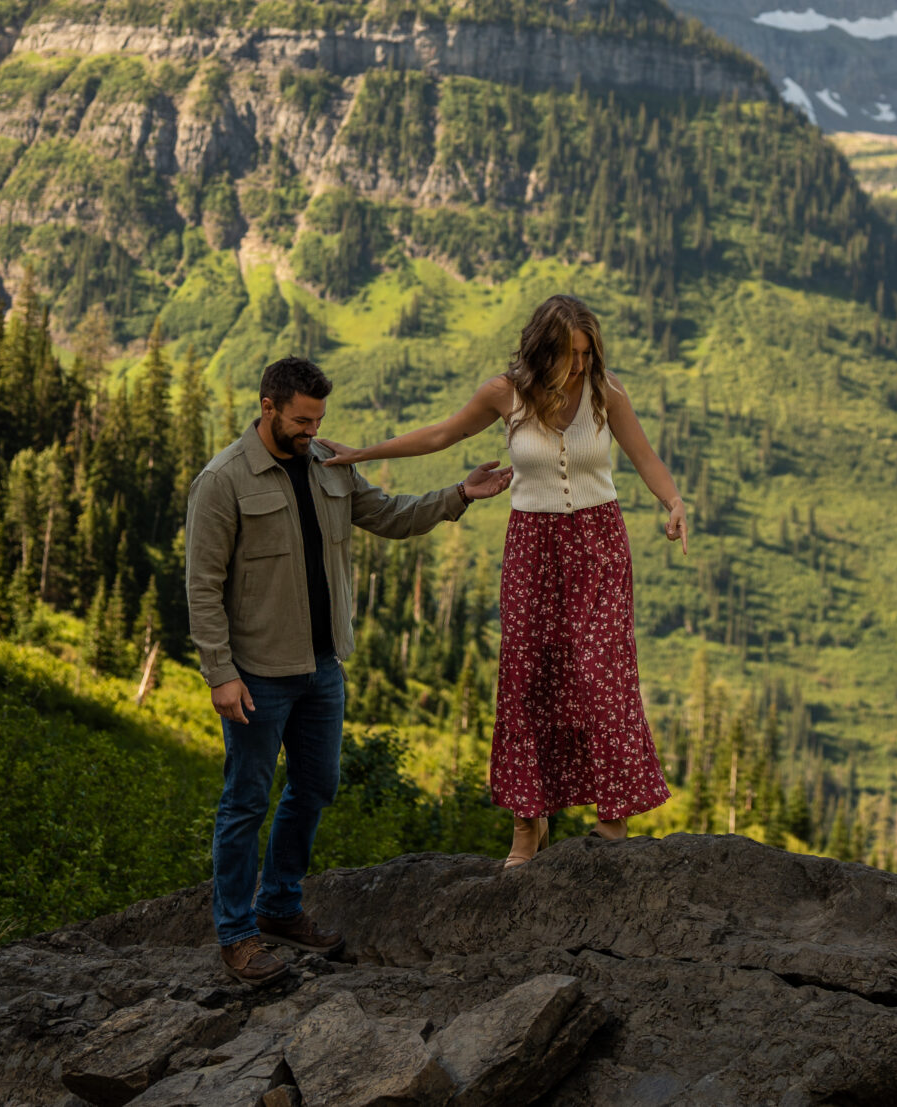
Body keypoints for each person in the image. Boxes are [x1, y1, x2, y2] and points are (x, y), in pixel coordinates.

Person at [323, 293, 687, 867]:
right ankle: (527, 825)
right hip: (533, 548)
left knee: (600, 675)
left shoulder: (606, 392)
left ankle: (611, 822)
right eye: (571, 354)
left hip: (599, 546)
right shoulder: (505, 393)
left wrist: (672, 502)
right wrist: (360, 453)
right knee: (526, 679)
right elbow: (441, 435)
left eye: (588, 354)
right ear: (544, 350)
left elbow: (645, 459)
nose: (581, 365)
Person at [185, 354, 512, 985]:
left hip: (322, 668)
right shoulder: (222, 480)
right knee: (245, 802)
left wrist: (459, 495)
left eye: (319, 419)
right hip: (256, 675)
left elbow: (388, 516)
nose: (313, 431)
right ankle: (236, 936)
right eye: (302, 420)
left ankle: (279, 907)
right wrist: (219, 672)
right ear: (268, 407)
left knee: (316, 788)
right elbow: (202, 586)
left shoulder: (330, 465)